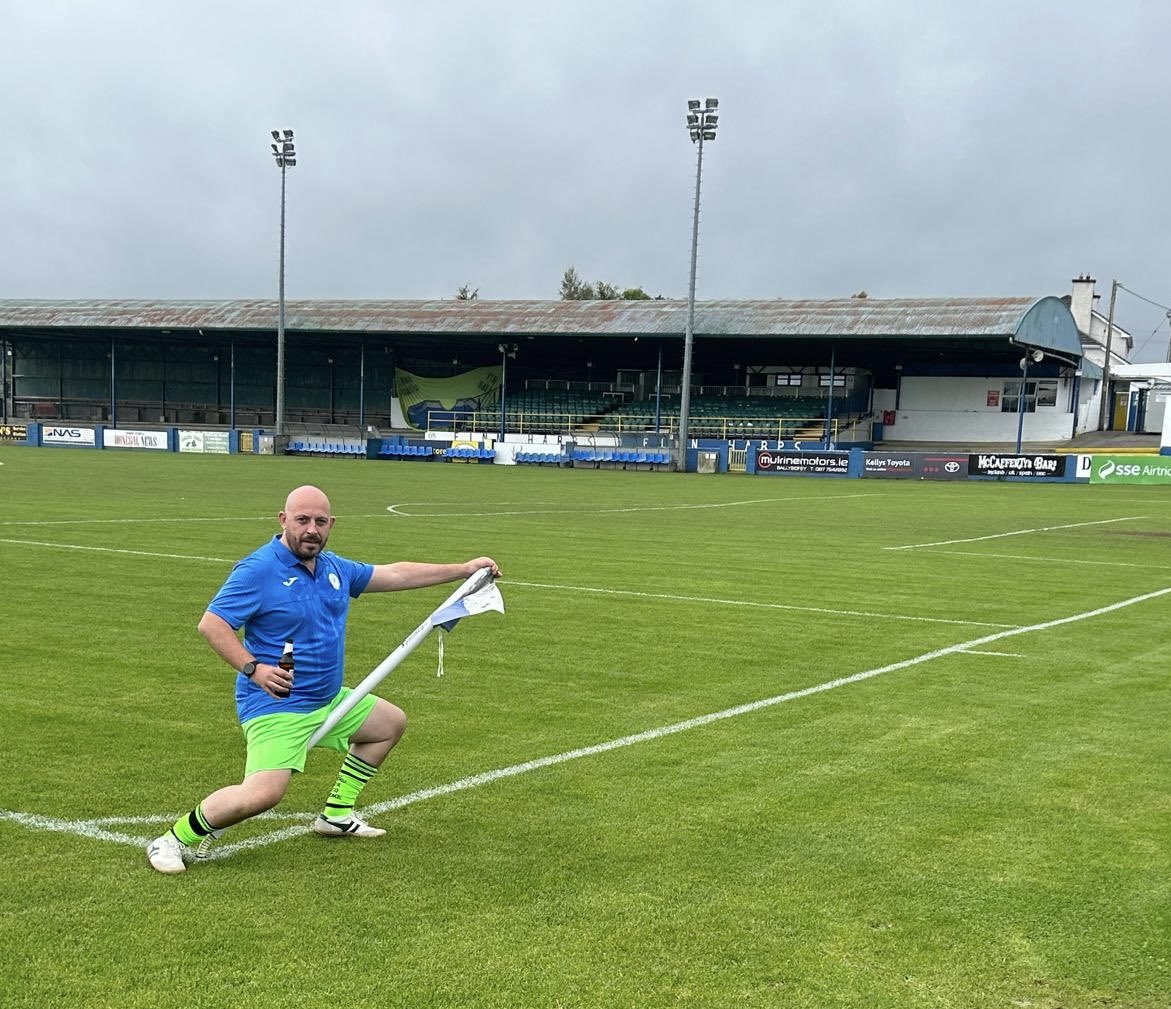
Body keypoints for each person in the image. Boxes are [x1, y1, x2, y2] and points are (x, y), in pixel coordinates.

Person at [147, 484, 500, 874]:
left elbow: (396, 574)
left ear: (330, 525)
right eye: (302, 520)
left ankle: (335, 815)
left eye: (319, 521)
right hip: (277, 707)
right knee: (263, 794)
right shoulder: (258, 569)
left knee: (388, 724)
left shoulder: (334, 569)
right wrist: (254, 668)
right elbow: (212, 624)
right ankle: (174, 838)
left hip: (329, 699)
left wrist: (464, 570)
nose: (311, 529)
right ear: (284, 521)